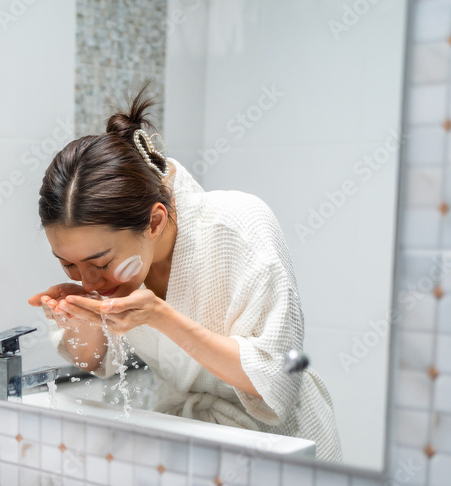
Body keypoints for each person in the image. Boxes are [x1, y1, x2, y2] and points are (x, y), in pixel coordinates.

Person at [29, 87, 341, 462]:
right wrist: (86, 320)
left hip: (282, 447)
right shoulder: (114, 273)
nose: (90, 282)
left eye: (100, 263)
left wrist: (162, 318)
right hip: (192, 442)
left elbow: (277, 377)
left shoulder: (238, 226)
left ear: (155, 221)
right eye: (69, 265)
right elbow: (97, 364)